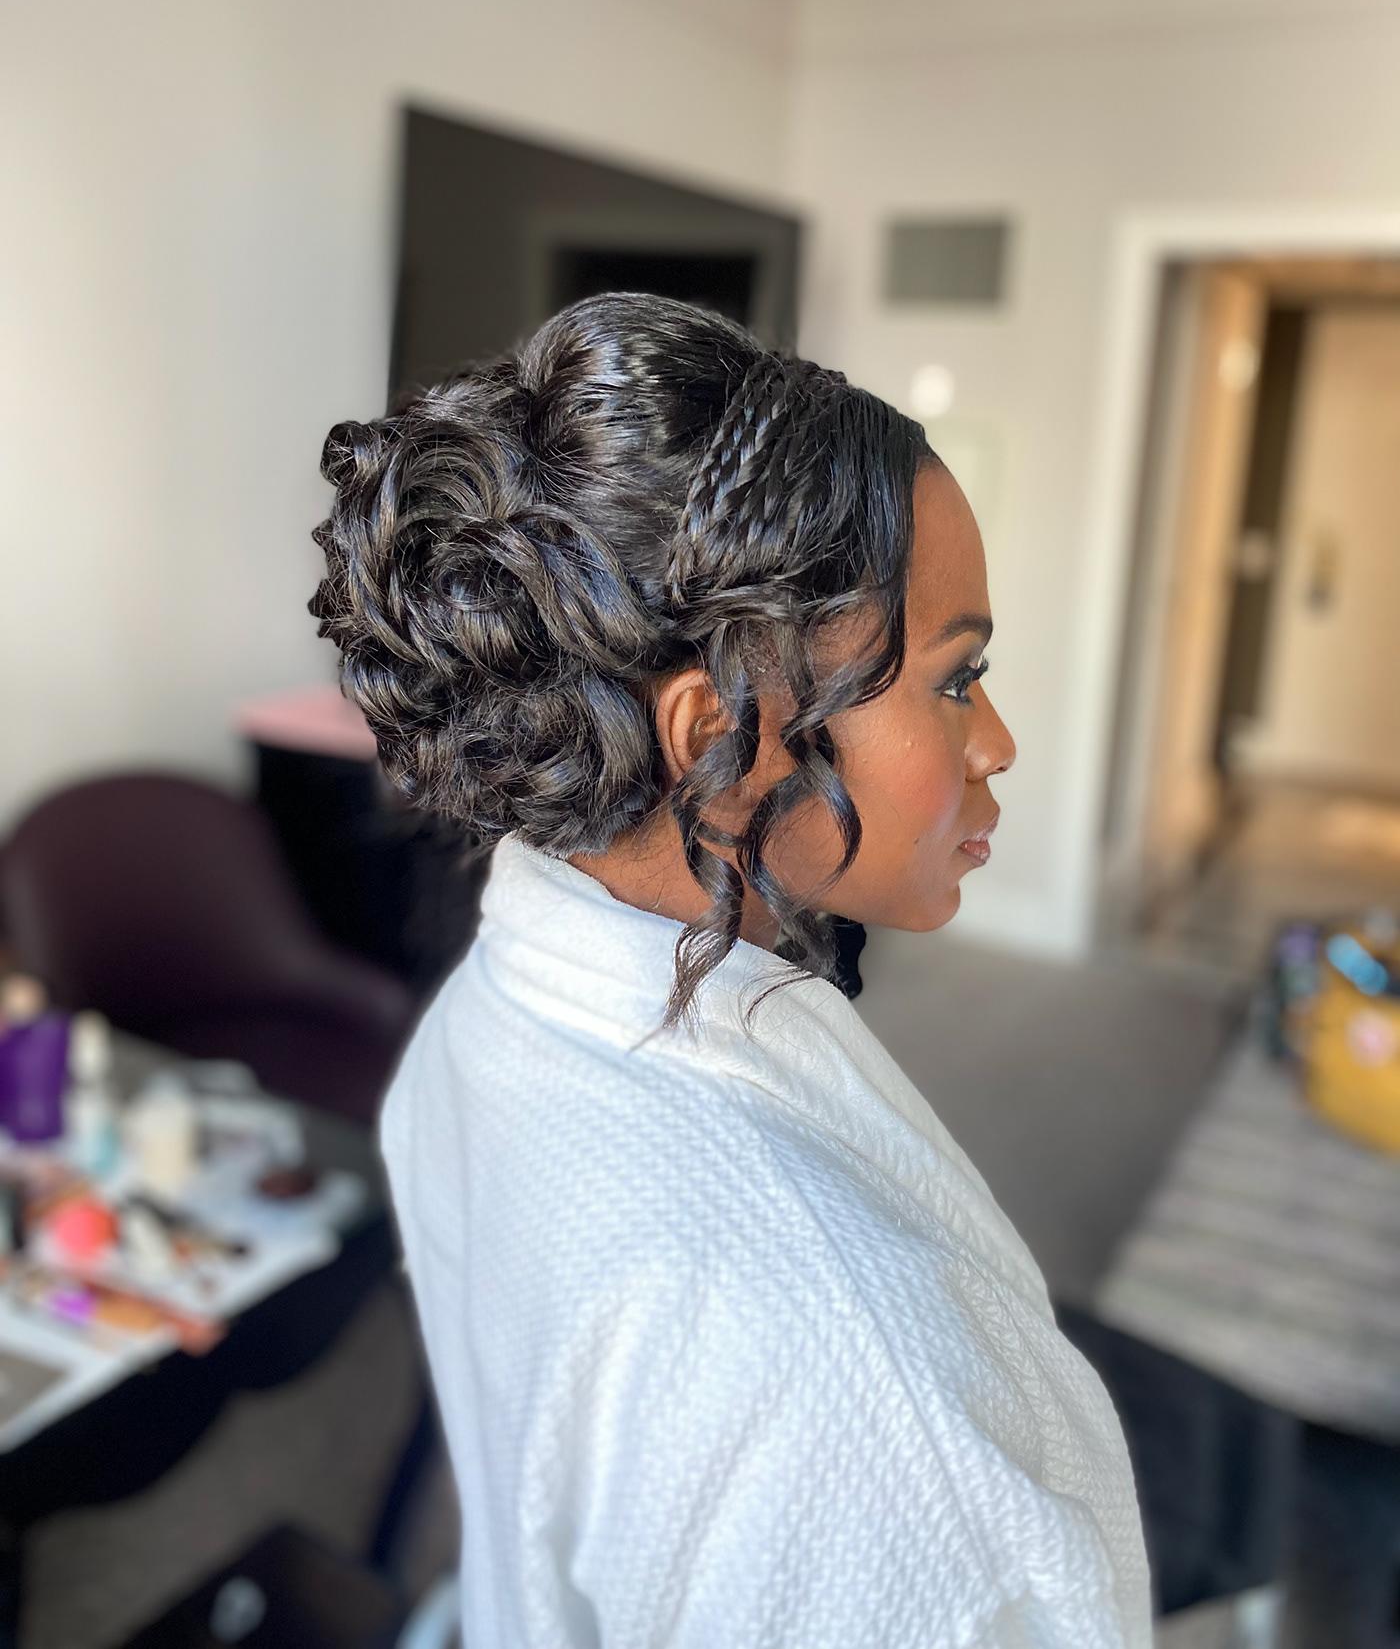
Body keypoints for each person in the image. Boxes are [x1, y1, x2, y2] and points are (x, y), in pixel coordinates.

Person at [309, 292, 1153, 1647]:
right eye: (954, 679)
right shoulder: (847, 1396)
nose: (995, 741)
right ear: (724, 736)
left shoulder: (482, 1018)